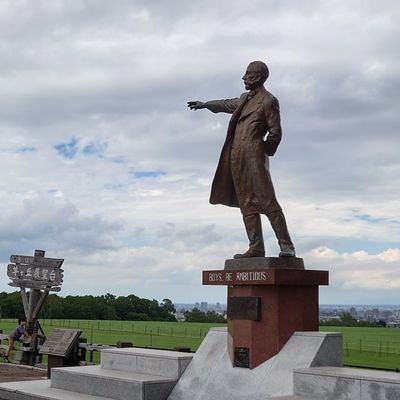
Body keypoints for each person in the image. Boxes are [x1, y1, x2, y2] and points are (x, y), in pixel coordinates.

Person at [188, 61, 295, 259]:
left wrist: (263, 151)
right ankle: (256, 247)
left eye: (248, 74)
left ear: (258, 76)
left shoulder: (268, 100)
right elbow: (227, 104)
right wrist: (205, 104)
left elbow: (275, 132)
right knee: (247, 203)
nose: (244, 78)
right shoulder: (245, 98)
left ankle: (286, 246)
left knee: (268, 200)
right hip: (237, 157)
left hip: (255, 156)